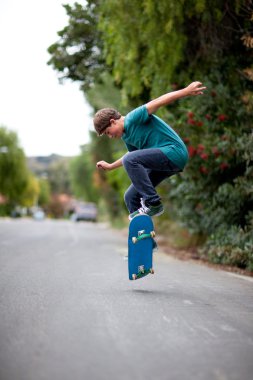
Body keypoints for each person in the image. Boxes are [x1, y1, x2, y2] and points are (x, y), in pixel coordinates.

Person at [94, 81, 206, 220]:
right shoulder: (127, 136)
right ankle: (143, 235)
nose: (110, 137)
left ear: (113, 121)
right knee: (130, 196)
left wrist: (186, 91)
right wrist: (111, 166)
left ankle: (154, 203)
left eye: (108, 132)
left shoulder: (133, 118)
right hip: (164, 163)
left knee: (131, 160)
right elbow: (131, 156)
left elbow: (158, 101)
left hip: (174, 152)